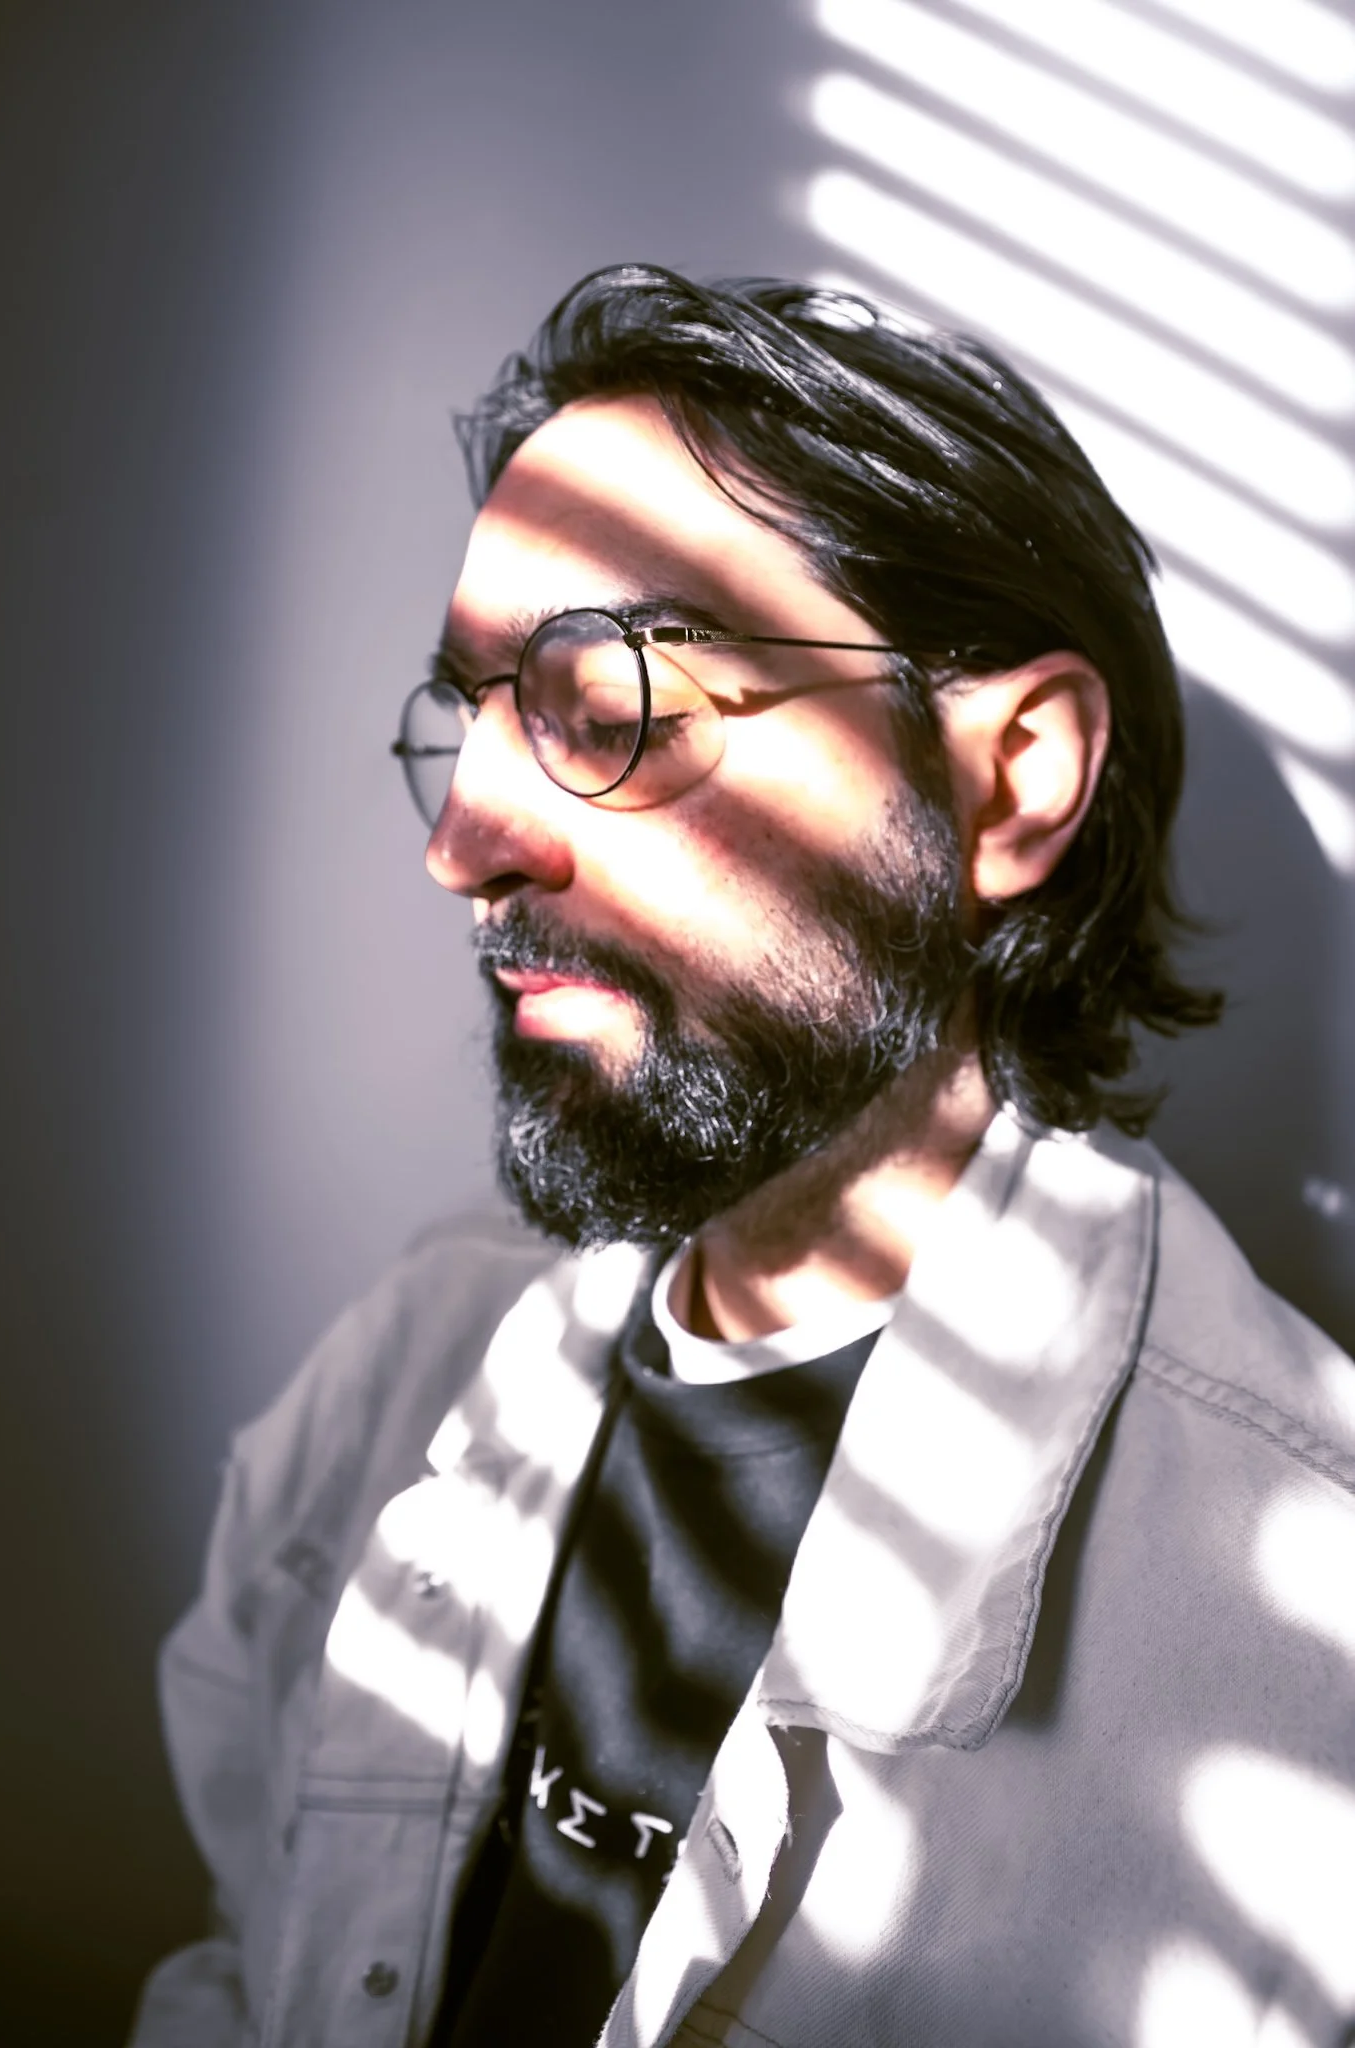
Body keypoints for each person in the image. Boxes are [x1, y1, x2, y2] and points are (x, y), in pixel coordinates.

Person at [131, 266, 1355, 2048]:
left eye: (607, 703)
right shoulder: (403, 1371)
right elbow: (242, 1971)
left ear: (1009, 781)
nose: (465, 842)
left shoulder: (1301, 1654)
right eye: (472, 710)